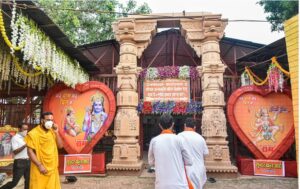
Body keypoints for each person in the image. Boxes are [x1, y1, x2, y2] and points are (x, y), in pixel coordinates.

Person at [148, 113, 193, 189]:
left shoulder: (154, 141)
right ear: (172, 124)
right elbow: (189, 161)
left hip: (161, 185)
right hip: (179, 184)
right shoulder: (180, 139)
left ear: (160, 125)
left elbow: (151, 162)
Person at [25, 112, 63, 189]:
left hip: (52, 168)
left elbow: (60, 146)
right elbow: (30, 152)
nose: (50, 122)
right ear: (42, 120)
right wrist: (39, 165)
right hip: (39, 168)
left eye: (52, 120)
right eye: (48, 120)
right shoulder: (33, 133)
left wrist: (56, 133)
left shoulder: (52, 132)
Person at [178, 118, 209, 189]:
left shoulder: (179, 137)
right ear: (195, 127)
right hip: (199, 170)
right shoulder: (200, 138)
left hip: (184, 170)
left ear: (185, 126)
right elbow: (206, 153)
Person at [0, 123, 30, 189]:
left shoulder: (27, 137)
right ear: (19, 129)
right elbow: (15, 151)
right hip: (19, 162)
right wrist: (25, 145)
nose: (26, 130)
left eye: (27, 129)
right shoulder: (15, 138)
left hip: (28, 161)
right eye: (24, 129)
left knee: (28, 181)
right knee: (14, 182)